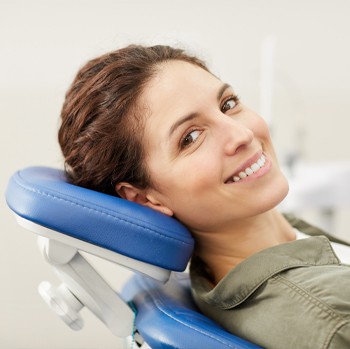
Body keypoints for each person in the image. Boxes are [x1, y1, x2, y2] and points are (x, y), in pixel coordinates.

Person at [58, 44, 350, 348]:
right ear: (145, 199)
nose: (242, 135)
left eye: (228, 104)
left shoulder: (266, 253)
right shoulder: (332, 320)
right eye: (191, 138)